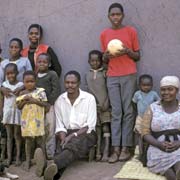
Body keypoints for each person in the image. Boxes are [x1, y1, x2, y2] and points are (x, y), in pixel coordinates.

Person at [34, 70, 97, 180]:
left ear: (79, 83)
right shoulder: (60, 100)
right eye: (67, 82)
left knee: (72, 145)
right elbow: (60, 124)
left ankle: (47, 165)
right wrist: (63, 137)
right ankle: (51, 175)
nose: (70, 85)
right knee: (66, 148)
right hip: (67, 132)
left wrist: (71, 136)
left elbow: (90, 125)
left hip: (86, 133)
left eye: (73, 83)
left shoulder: (89, 99)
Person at [100, 3, 140, 163]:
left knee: (129, 111)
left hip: (129, 74)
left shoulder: (131, 31)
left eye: (118, 14)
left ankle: (126, 148)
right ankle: (115, 148)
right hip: (112, 76)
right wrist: (105, 56)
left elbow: (138, 56)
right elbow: (104, 60)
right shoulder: (104, 34)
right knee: (116, 112)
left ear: (122, 15)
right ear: (109, 16)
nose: (115, 17)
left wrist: (128, 51)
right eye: (112, 15)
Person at [142, 76, 180, 180]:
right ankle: (170, 173)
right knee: (166, 167)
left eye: (170, 89)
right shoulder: (152, 108)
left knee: (178, 162)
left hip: (179, 147)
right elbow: (145, 132)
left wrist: (178, 143)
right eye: (163, 89)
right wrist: (158, 144)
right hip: (157, 148)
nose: (166, 92)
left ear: (177, 90)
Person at [16, 71, 49, 171]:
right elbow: (19, 107)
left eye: (32, 81)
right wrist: (24, 101)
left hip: (38, 121)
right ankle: (28, 161)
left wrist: (35, 101)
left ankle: (44, 160)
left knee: (41, 141)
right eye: (27, 82)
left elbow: (45, 105)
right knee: (28, 141)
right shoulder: (22, 93)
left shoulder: (40, 92)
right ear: (23, 82)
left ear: (36, 81)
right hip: (27, 121)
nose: (29, 83)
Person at [85, 50, 111, 162]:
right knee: (97, 129)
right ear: (88, 61)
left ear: (101, 61)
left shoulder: (105, 73)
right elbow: (88, 91)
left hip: (105, 105)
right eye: (92, 61)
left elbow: (109, 89)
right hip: (93, 107)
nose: (94, 63)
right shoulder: (87, 75)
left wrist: (107, 103)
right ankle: (97, 152)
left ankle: (106, 151)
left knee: (106, 127)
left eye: (97, 61)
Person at [36, 53, 60, 160]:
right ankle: (41, 154)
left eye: (45, 62)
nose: (42, 64)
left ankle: (50, 153)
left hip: (49, 106)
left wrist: (49, 103)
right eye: (39, 62)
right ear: (36, 63)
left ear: (49, 64)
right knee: (40, 130)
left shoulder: (52, 74)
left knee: (50, 128)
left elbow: (56, 90)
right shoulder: (34, 75)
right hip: (37, 107)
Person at [0, 63, 23, 167]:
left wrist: (22, 87)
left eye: (12, 73)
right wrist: (1, 111)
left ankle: (17, 157)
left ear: (17, 73)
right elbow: (2, 100)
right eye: (7, 74)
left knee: (17, 136)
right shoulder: (4, 85)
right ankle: (9, 158)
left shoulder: (20, 85)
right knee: (9, 136)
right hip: (8, 113)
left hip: (17, 113)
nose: (10, 76)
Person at [132, 74, 159, 160]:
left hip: (151, 118)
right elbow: (134, 103)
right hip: (140, 117)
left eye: (149, 85)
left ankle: (149, 153)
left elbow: (158, 104)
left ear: (152, 85)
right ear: (139, 85)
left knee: (149, 135)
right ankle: (140, 153)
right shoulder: (137, 94)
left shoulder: (154, 94)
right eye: (144, 85)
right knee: (140, 135)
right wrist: (139, 112)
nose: (146, 87)